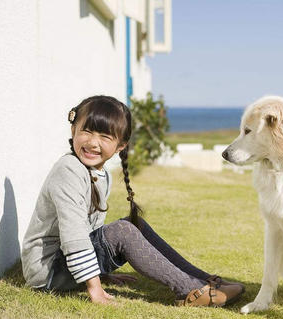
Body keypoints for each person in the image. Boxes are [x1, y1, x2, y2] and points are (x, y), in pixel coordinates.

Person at [21, 95, 244, 306]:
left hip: (63, 265)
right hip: (47, 272)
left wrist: (102, 273)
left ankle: (204, 281)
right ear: (73, 129)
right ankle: (189, 290)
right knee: (122, 231)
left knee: (133, 223)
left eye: (105, 137)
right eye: (86, 132)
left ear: (120, 146)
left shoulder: (98, 173)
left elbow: (93, 228)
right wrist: (94, 288)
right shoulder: (69, 170)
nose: (92, 143)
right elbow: (75, 235)